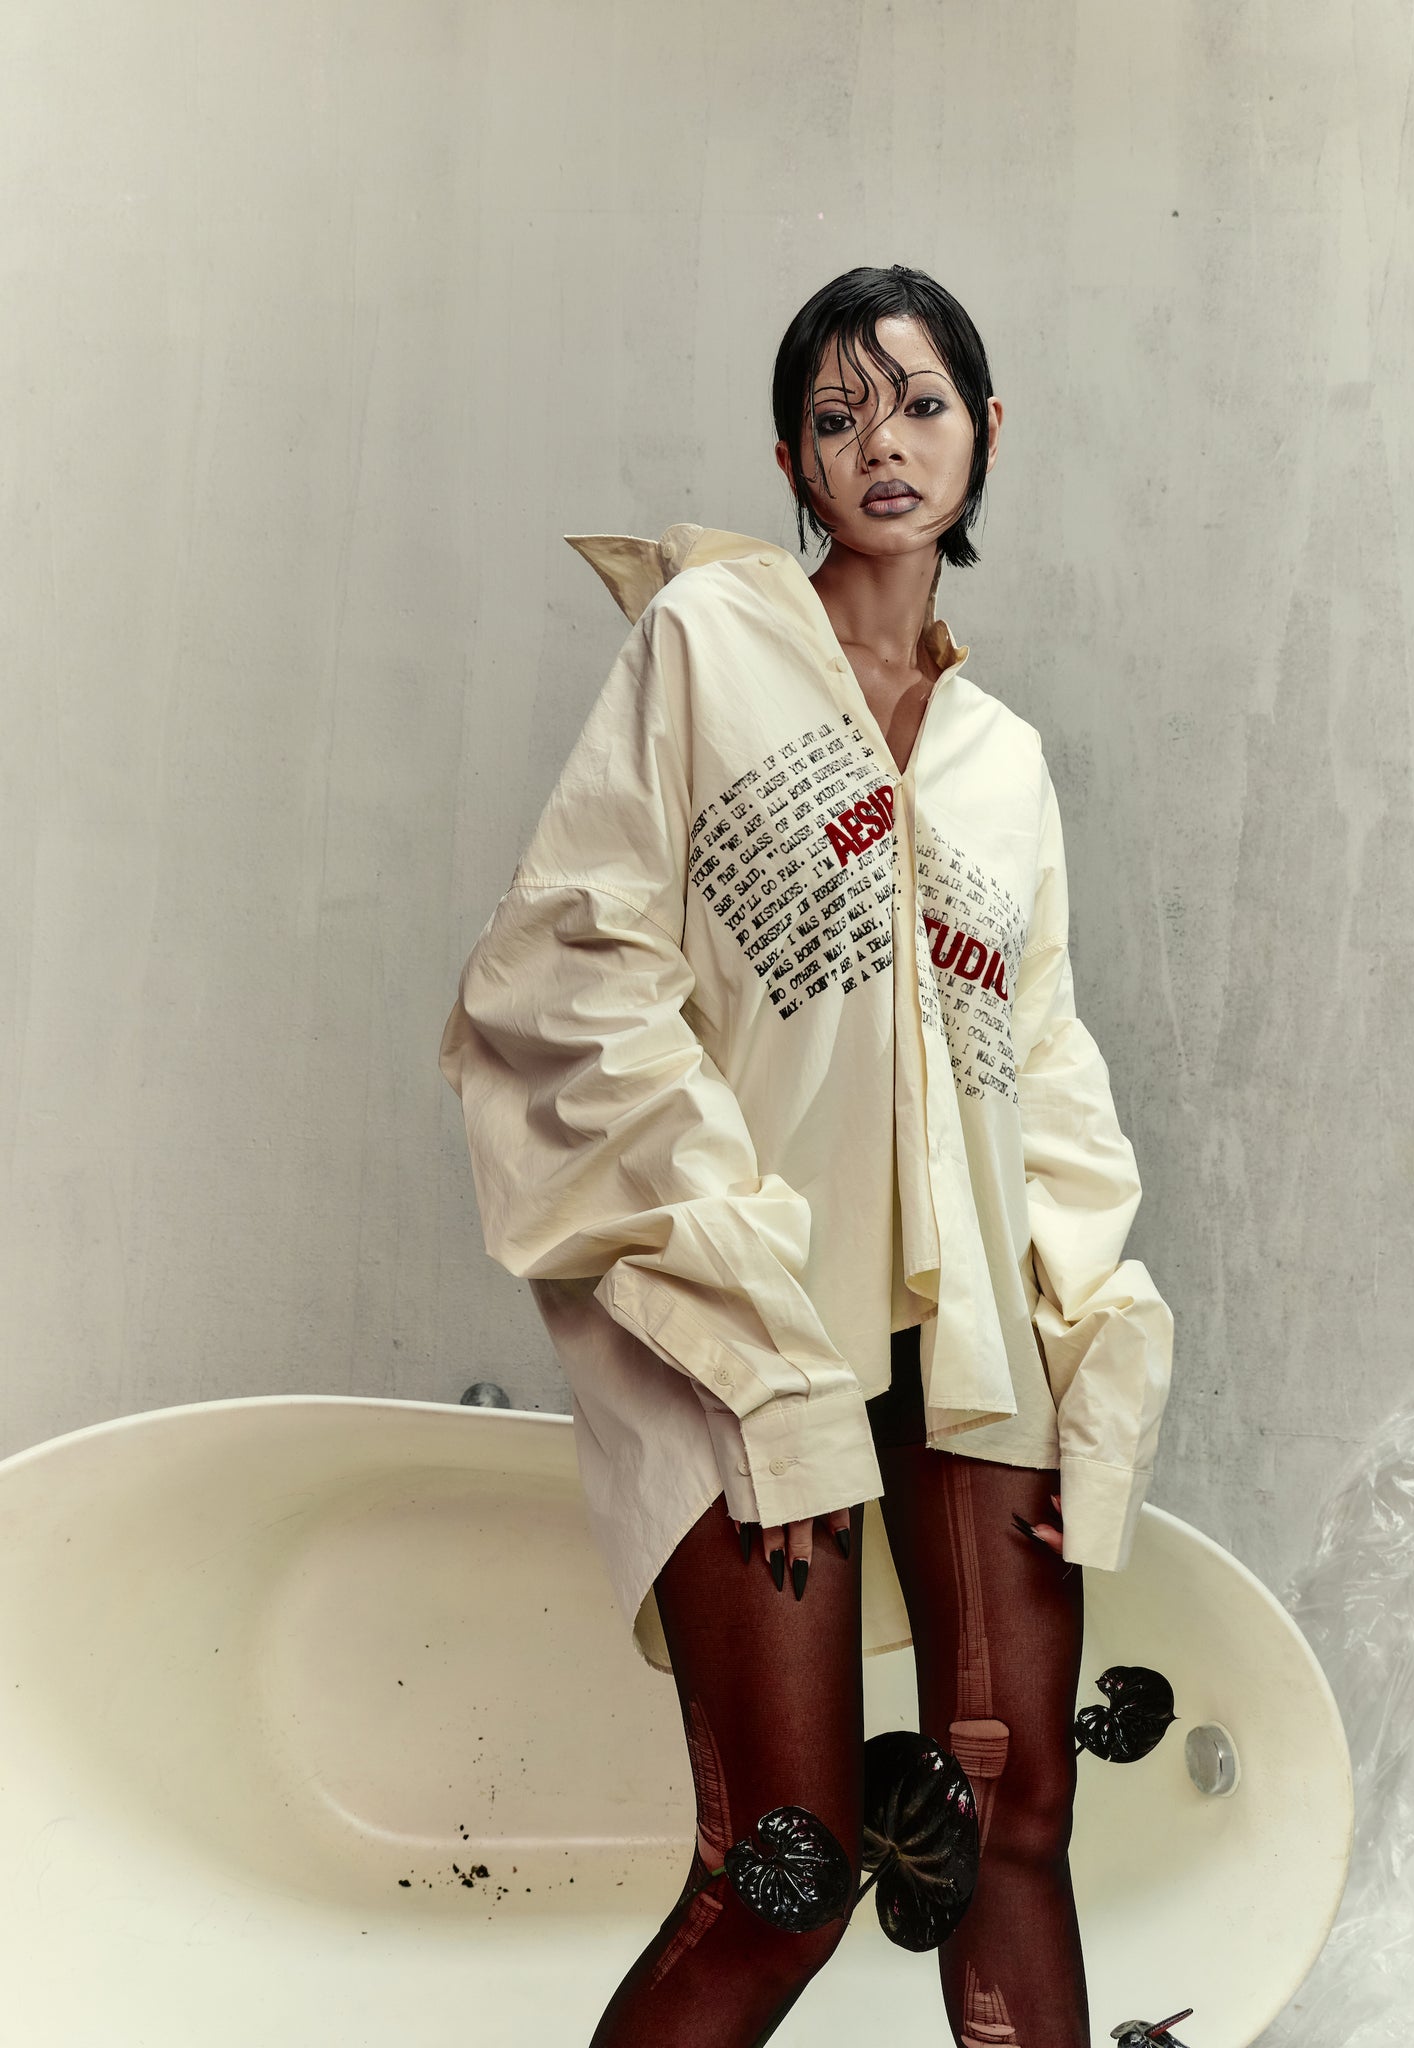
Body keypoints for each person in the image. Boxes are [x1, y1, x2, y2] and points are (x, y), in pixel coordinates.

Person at [438, 263, 1175, 2047]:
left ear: (985, 432)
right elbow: (580, 970)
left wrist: (1094, 1354)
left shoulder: (1007, 763)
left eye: (920, 405)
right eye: (839, 418)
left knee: (1015, 1822)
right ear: (792, 460)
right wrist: (752, 1331)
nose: (884, 446)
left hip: (977, 1345)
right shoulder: (710, 648)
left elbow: (1046, 1077)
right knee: (782, 1870)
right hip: (752, 1316)